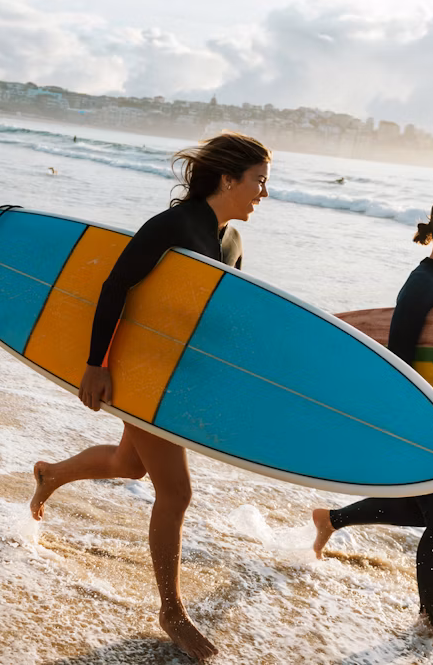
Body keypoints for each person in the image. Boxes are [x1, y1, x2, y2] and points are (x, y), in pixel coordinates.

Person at [28, 132, 271, 661]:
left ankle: (52, 473)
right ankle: (172, 611)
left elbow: (213, 319)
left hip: (171, 378)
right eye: (258, 181)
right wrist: (97, 364)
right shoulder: (172, 226)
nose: (263, 193)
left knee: (128, 464)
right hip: (136, 373)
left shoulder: (229, 242)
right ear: (228, 179)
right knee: (177, 493)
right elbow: (114, 285)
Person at [311, 193, 433, 632]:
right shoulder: (421, 284)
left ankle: (331, 519)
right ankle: (430, 623)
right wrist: (398, 421)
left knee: (420, 511)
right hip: (417, 416)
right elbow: (400, 355)